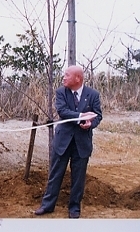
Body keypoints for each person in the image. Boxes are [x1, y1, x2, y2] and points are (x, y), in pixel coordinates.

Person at [35, 65, 102, 218]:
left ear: (77, 78)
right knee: (55, 174)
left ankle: (74, 208)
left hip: (82, 143)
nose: (63, 78)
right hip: (63, 142)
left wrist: (91, 123)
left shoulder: (93, 94)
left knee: (78, 177)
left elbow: (98, 116)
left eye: (67, 75)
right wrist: (82, 117)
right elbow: (63, 111)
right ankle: (47, 205)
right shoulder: (61, 92)